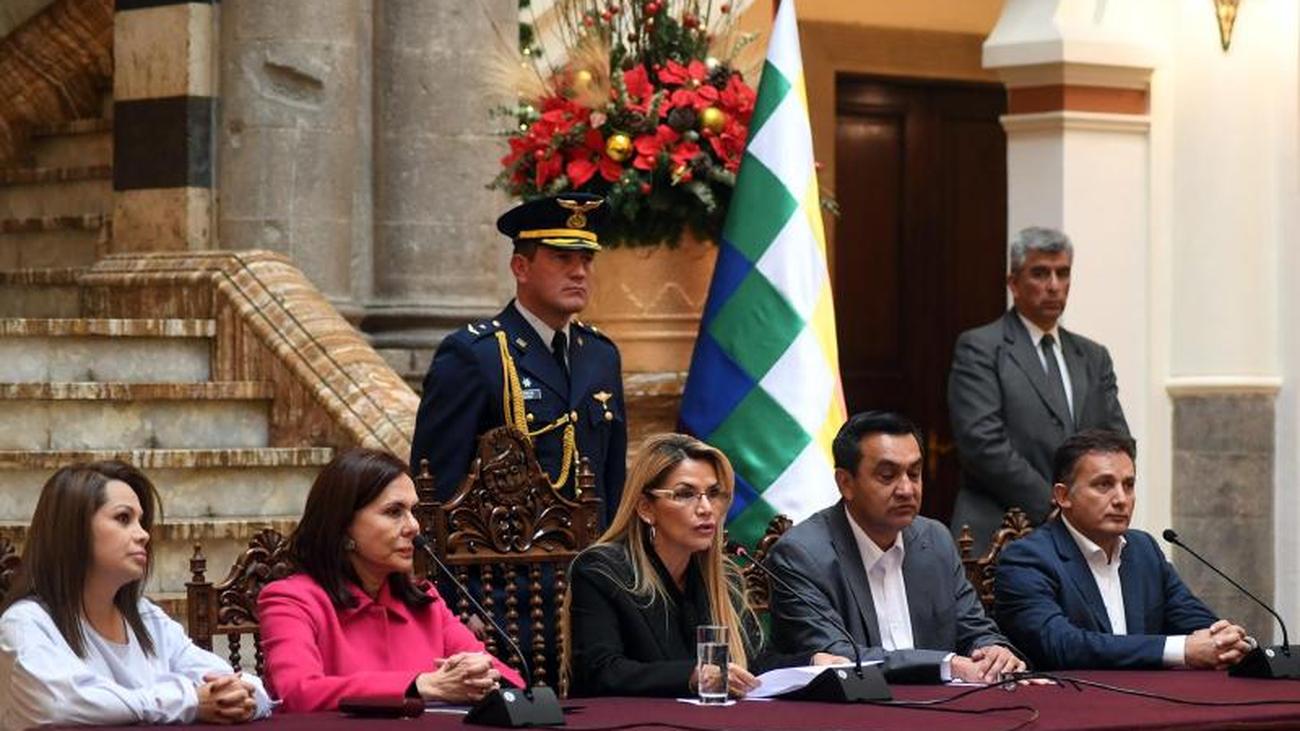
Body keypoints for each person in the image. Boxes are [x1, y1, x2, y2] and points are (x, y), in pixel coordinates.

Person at [563, 433, 845, 697]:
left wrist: (811, 661)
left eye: (713, 494)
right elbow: (601, 672)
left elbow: (751, 665)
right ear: (646, 508)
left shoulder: (723, 579)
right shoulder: (601, 571)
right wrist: (692, 675)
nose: (706, 508)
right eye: (685, 494)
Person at [0, 461, 271, 730]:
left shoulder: (146, 616)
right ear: (73, 530)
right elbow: (59, 704)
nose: (143, 535)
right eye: (123, 518)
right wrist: (188, 700)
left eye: (141, 521)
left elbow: (240, 685)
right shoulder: (25, 623)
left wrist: (242, 697)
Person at [411, 193, 626, 527]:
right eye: (562, 258)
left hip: (592, 553)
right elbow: (438, 484)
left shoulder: (601, 354)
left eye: (586, 259)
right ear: (521, 268)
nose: (579, 272)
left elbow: (613, 478)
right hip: (507, 554)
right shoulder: (475, 354)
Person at [767, 411, 1025, 684]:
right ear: (845, 483)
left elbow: (975, 630)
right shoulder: (802, 555)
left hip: (944, 703)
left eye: (914, 474)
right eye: (887, 476)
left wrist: (993, 650)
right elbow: (837, 658)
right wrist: (947, 665)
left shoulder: (935, 540)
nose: (906, 489)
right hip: (856, 705)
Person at [258, 448, 523, 712]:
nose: (414, 526)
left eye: (413, 511)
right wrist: (421, 685)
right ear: (343, 525)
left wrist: (480, 674)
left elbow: (513, 683)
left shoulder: (425, 600)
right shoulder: (291, 600)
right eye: (394, 512)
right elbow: (297, 693)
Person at [994, 429, 1253, 670]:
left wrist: (1227, 641)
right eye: (1103, 485)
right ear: (1063, 496)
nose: (1121, 499)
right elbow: (1063, 645)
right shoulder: (1027, 559)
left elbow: (1194, 619)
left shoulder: (1143, 550)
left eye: (1128, 485)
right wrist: (1180, 650)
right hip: (1069, 699)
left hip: (1149, 697)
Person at [949, 226, 1129, 554]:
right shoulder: (981, 348)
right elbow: (982, 444)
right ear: (1014, 283)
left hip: (1085, 535)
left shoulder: (1093, 357)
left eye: (1063, 273)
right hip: (1002, 534)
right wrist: (1060, 506)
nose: (1054, 286)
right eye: (1040, 273)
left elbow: (1117, 442)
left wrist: (1092, 503)